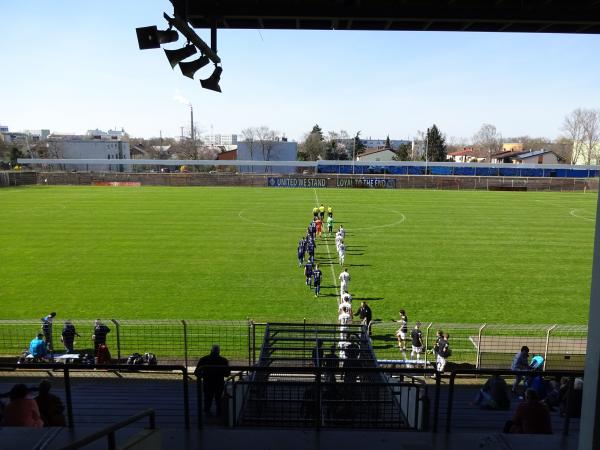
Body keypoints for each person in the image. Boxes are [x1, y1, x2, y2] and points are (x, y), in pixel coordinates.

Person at [194, 345, 231, 416]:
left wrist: (204, 376)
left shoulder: (203, 359)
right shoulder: (224, 360)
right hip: (219, 383)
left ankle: (207, 412)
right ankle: (219, 413)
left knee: (208, 398)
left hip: (207, 383)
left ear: (211, 351)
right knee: (219, 399)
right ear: (219, 352)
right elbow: (227, 374)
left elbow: (196, 372)